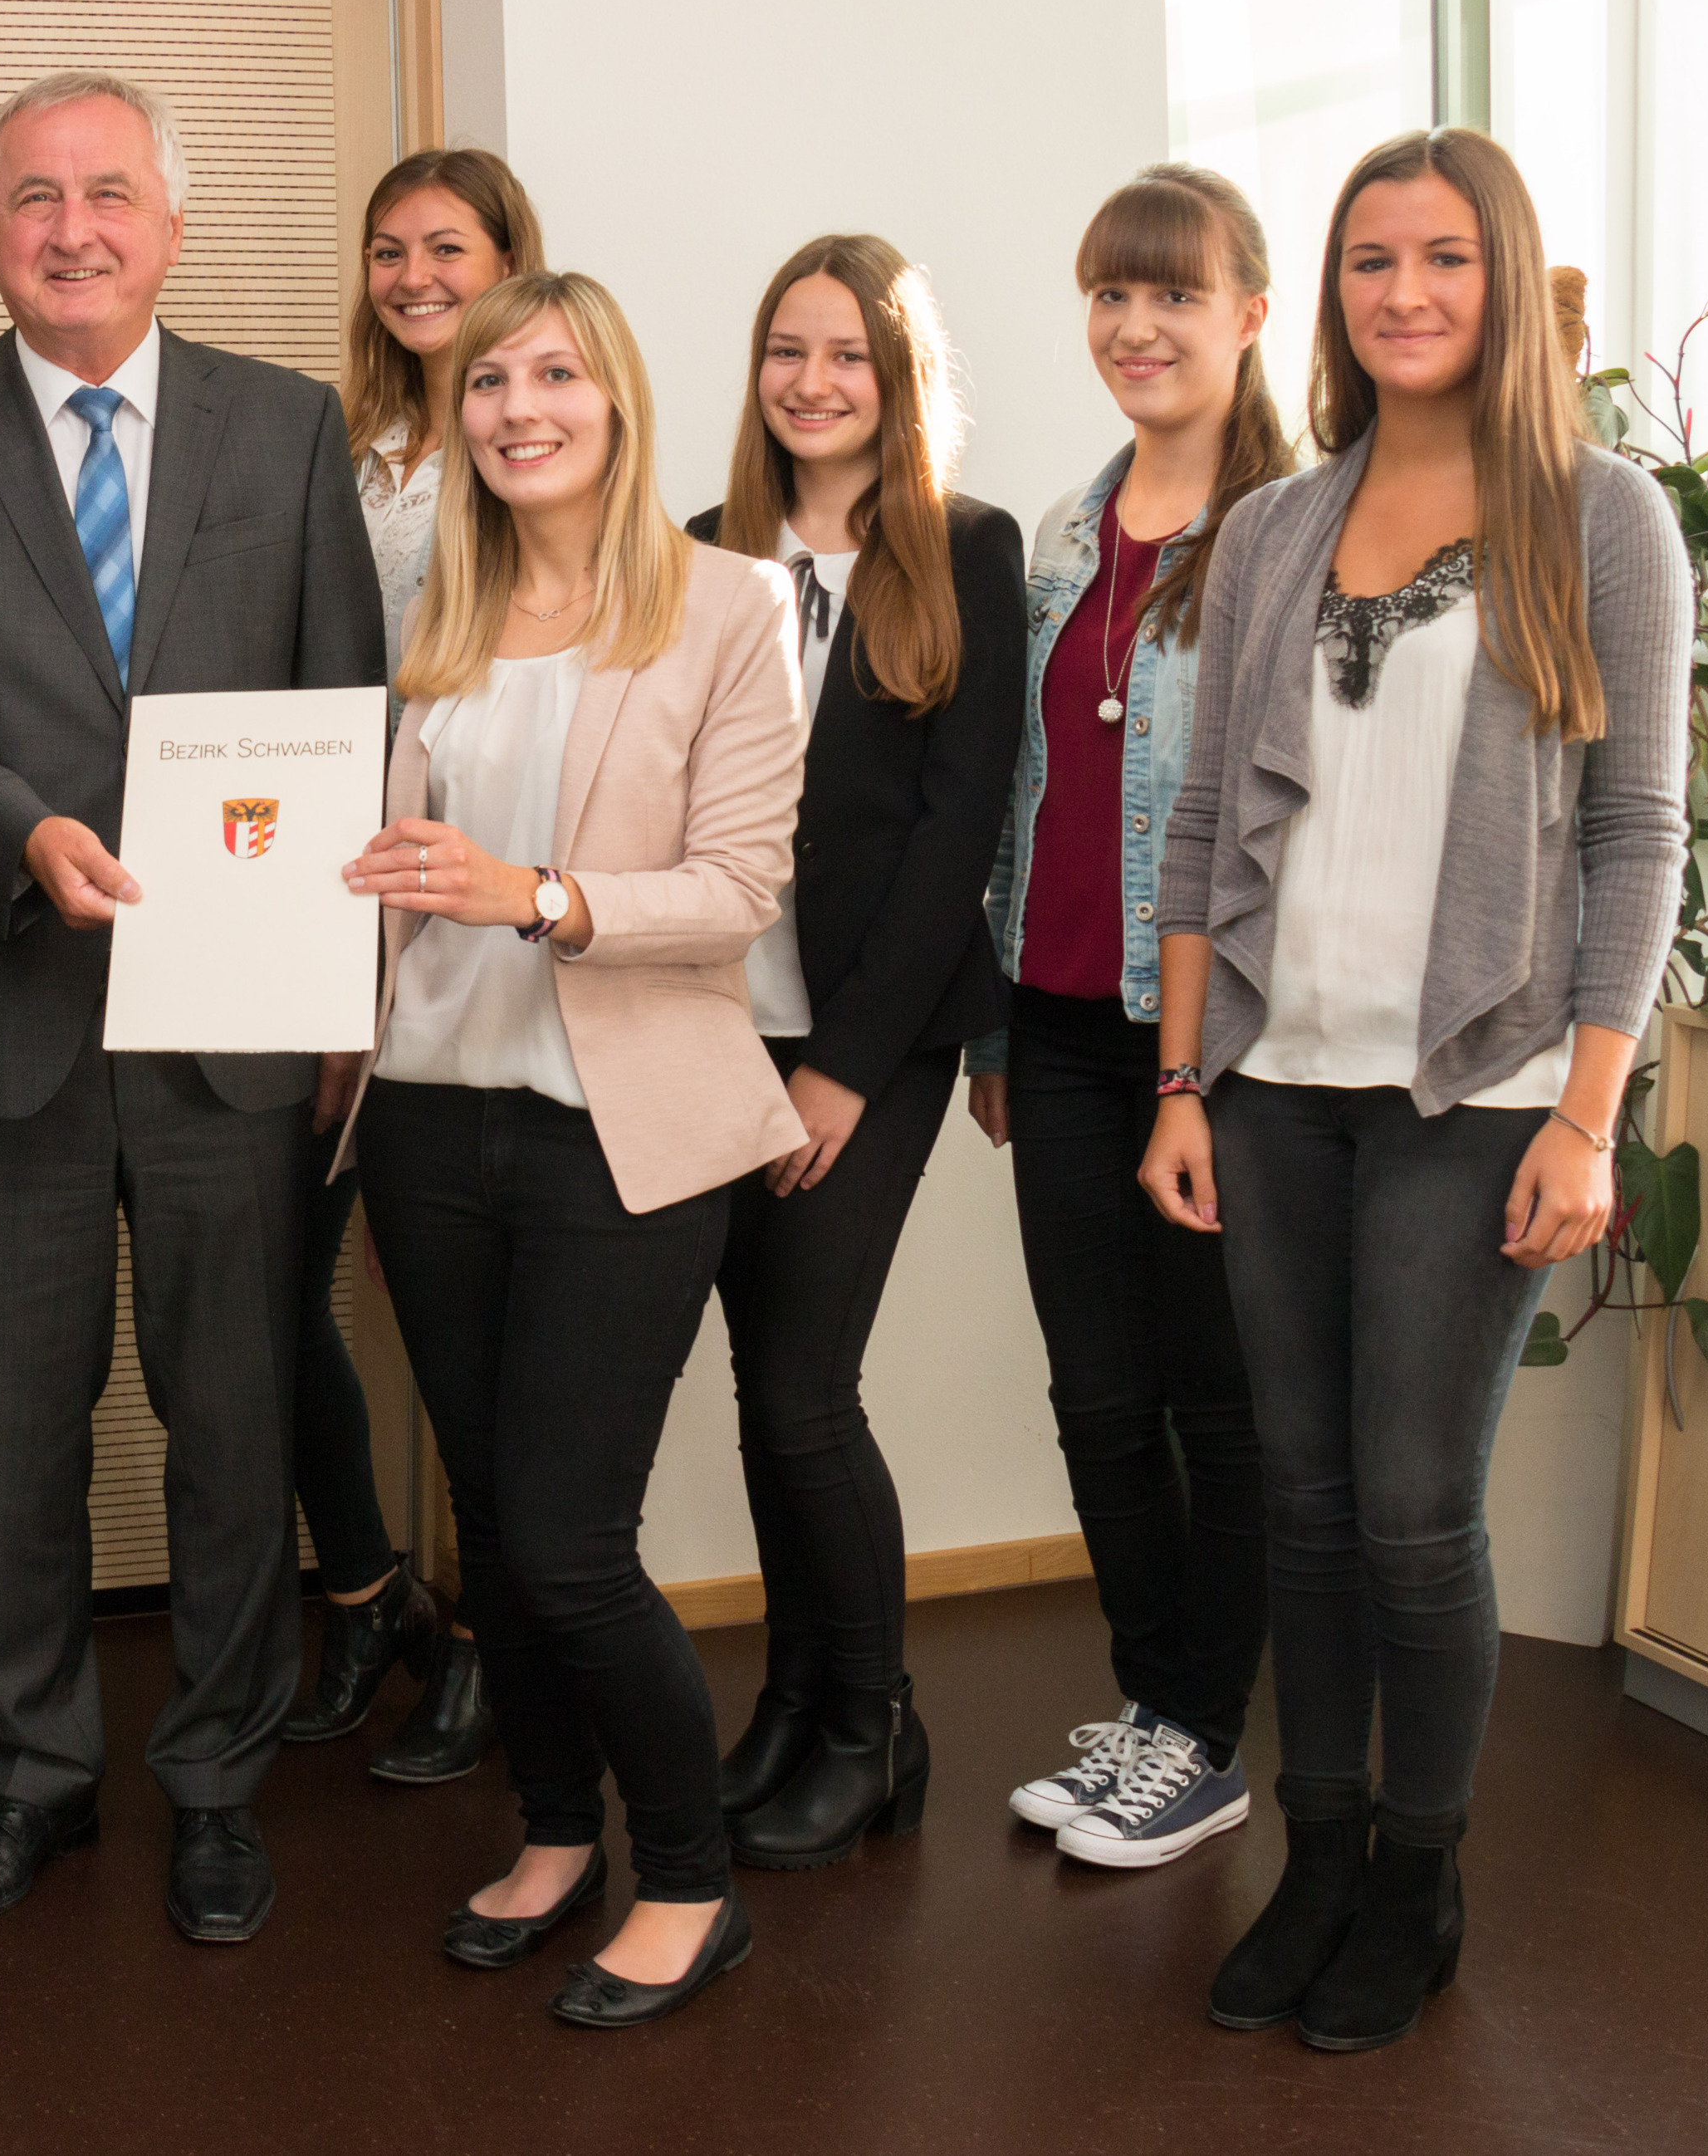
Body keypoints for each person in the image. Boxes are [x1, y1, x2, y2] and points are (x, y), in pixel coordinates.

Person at [0, 70, 386, 1943]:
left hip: (234, 1025)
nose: (72, 227)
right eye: (33, 197)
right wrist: (16, 827)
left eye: (108, 192)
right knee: (17, 1429)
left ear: (171, 218)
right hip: (6, 1008)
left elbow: (338, 715)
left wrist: (334, 1002)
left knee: (232, 1426)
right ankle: (38, 1779)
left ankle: (217, 1777)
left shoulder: (284, 427)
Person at [1148, 127, 1689, 2052]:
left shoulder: (1595, 516)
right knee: (1291, 1496)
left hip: (1481, 1090)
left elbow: (1639, 837)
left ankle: (1420, 1873)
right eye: (1368, 259)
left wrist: (1584, 1114)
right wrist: (1178, 1077)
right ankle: (1312, 1853)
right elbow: (1207, 820)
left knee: (1405, 1508)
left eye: (1441, 257)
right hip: (1272, 1081)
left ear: (1500, 275)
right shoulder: (1280, 521)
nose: (1402, 293)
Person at [334, 269, 804, 2026]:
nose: (515, 408)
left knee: (564, 1534)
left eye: (551, 376)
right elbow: (387, 882)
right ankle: (550, 1833)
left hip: (622, 1133)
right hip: (432, 1119)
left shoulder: (724, 607)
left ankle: (687, 1878)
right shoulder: (440, 621)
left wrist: (535, 895)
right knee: (491, 1521)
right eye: (485, 385)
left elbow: (742, 893)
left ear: (611, 401)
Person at [685, 236, 1025, 1869]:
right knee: (761, 1395)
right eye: (785, 352)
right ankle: (797, 1697)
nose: (812, 384)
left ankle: (872, 1722)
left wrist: (836, 1067)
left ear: (895, 385)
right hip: (709, 1030)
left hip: (863, 1039)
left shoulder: (964, 550)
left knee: (808, 1393)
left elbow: (954, 834)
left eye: (847, 358)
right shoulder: (693, 552)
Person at [964, 166, 1287, 1871]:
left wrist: (1192, 1066)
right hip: (1057, 1023)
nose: (1135, 327)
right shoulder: (1059, 537)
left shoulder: (1294, 535)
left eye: (1172, 294)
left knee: (1207, 1401)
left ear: (1247, 312)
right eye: (1109, 293)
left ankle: (1199, 1739)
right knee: (1093, 1397)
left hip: (1214, 1046)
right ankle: (1152, 1714)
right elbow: (1026, 790)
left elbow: (1268, 835)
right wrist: (994, 1030)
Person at [284, 146, 543, 1783]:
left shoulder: (552, 430)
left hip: (485, 907)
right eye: (387, 250)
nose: (413, 277)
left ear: (508, 256)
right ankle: (375, 1585)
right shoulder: (345, 443)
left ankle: (494, 1641)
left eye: (446, 247)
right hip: (329, 889)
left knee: (473, 1319)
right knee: (266, 1276)